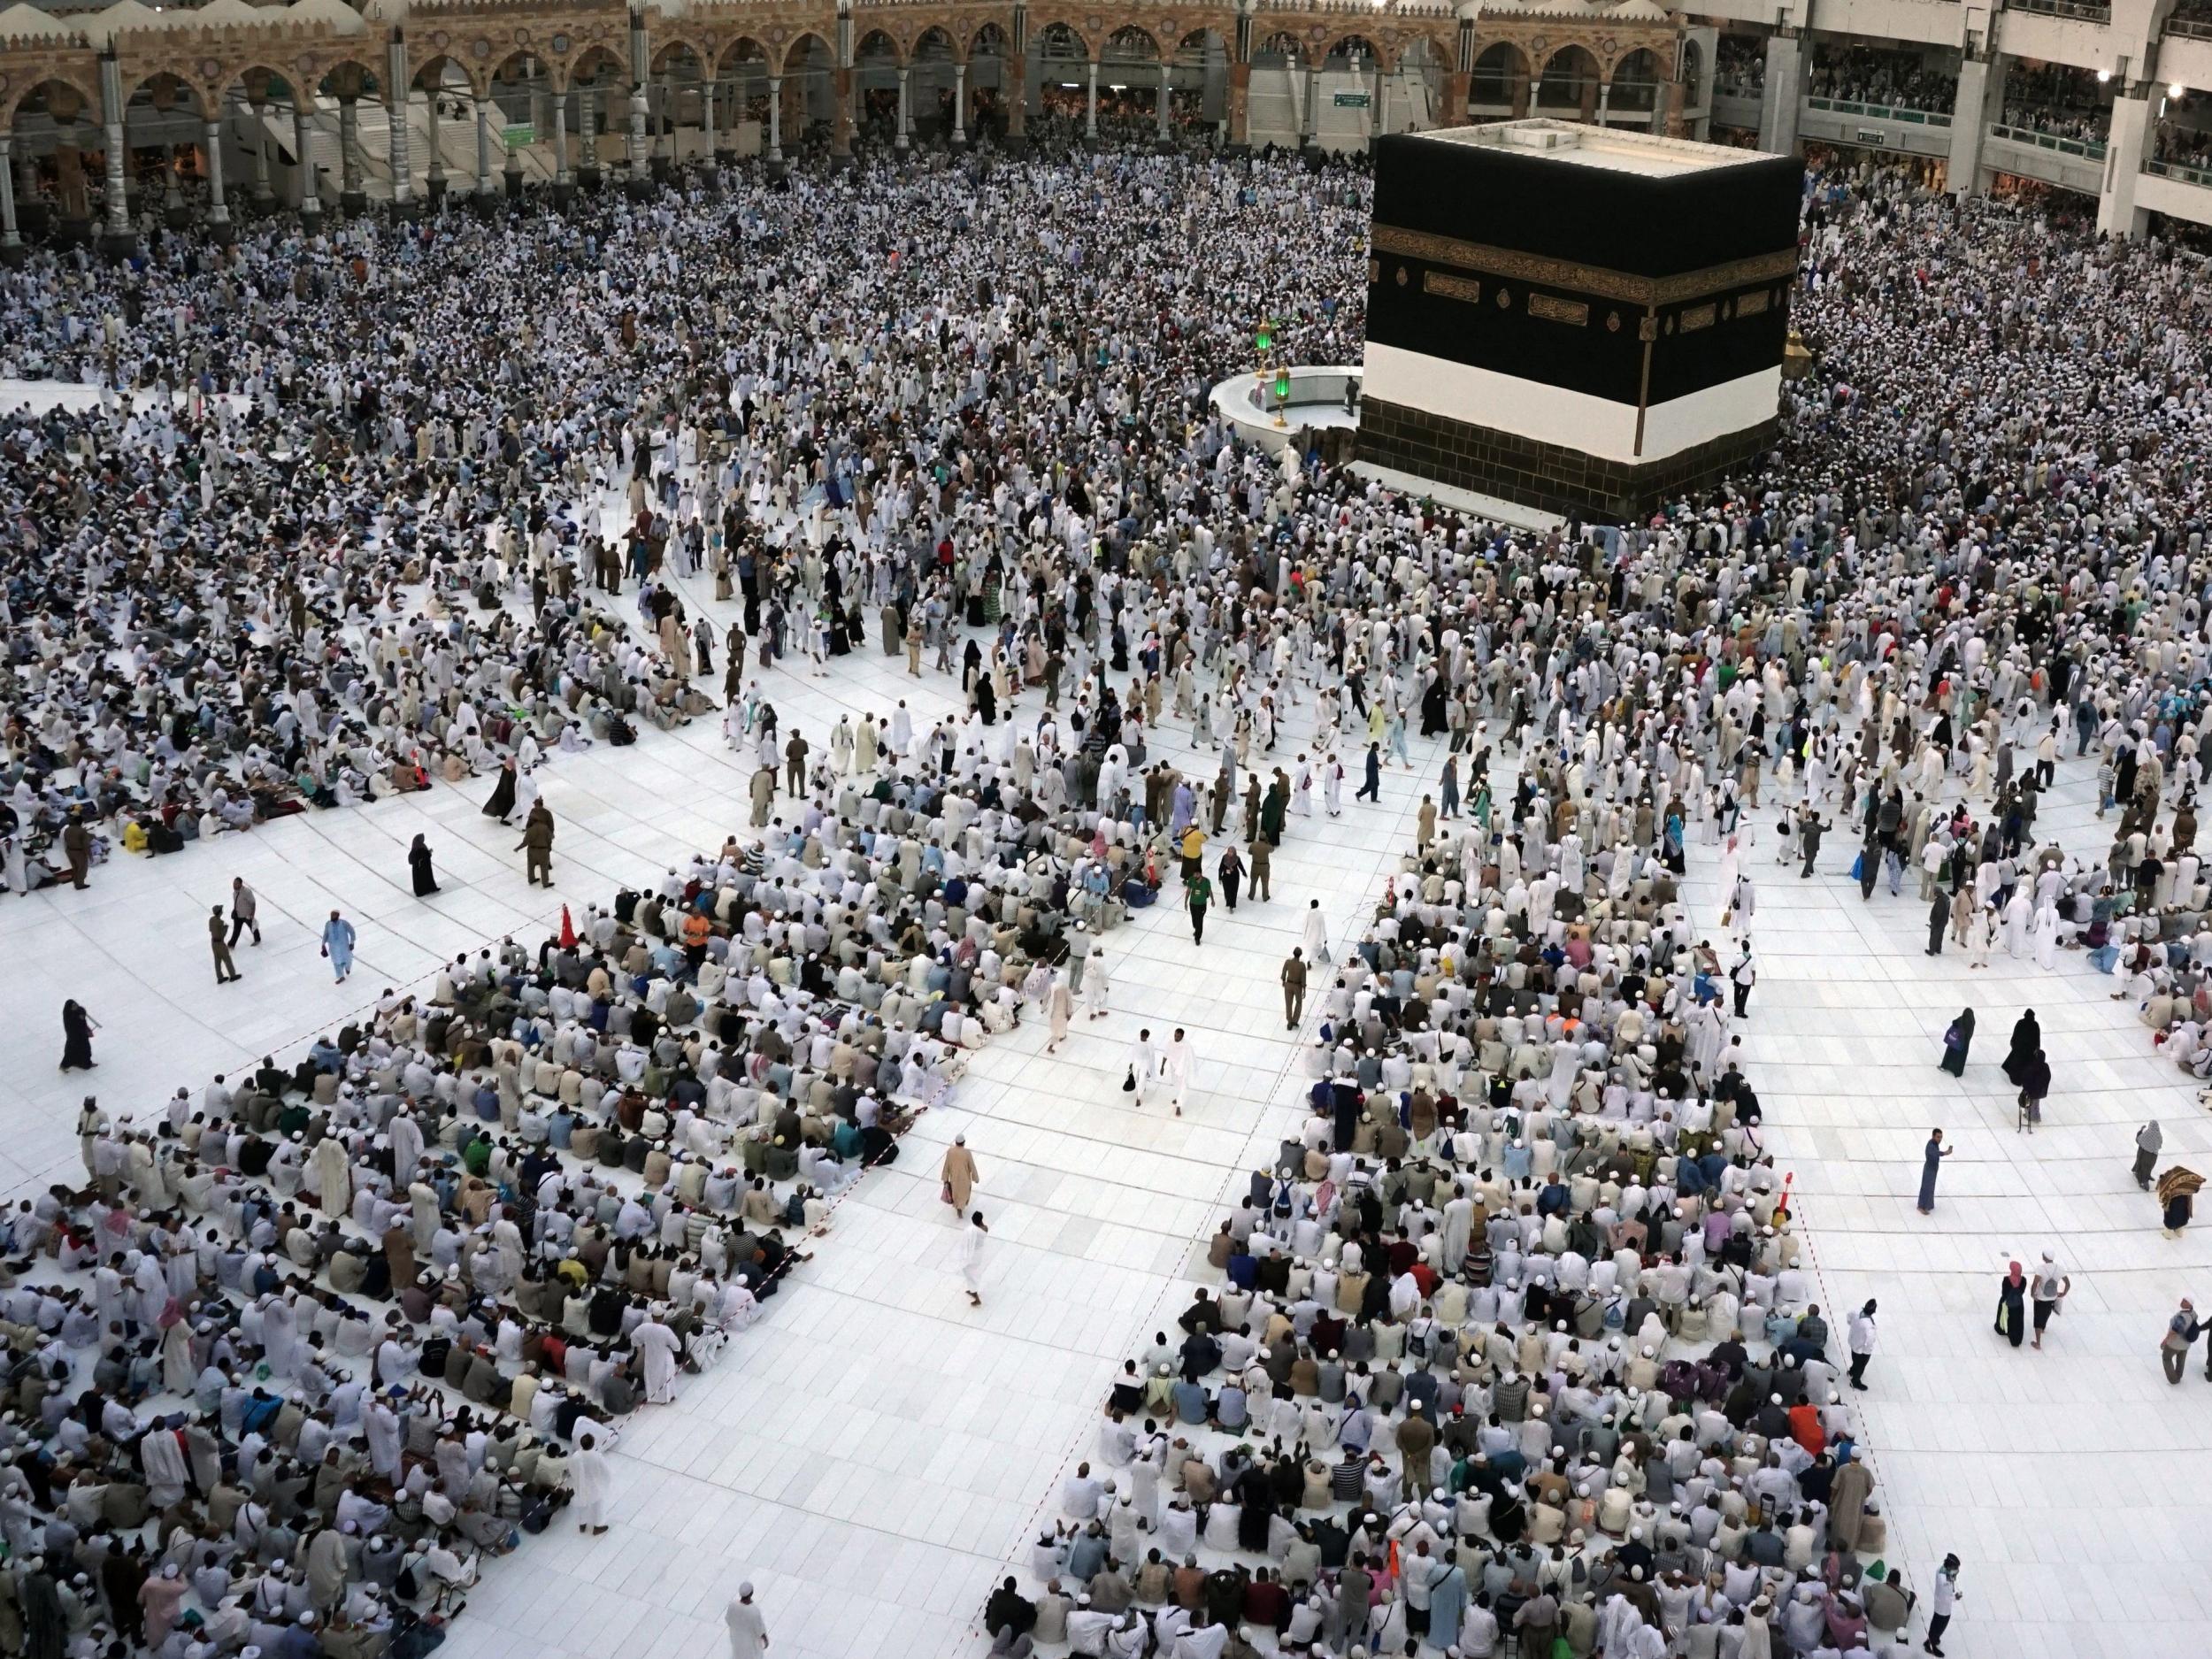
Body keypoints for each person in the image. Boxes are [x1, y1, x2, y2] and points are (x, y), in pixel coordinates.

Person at [569, 1430, 611, 1534]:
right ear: (593, 1444)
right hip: (594, 1486)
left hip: (580, 1485)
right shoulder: (597, 1456)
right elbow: (606, 1471)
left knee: (582, 1504)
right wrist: (607, 1481)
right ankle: (598, 1526)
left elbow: (571, 1469)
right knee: (599, 1505)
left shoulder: (575, 1456)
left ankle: (582, 1524)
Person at [2030, 1254, 2070, 1349]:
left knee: (2037, 1319)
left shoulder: (2041, 1268)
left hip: (2041, 1298)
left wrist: (2033, 1294)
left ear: (2044, 1257)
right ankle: (2043, 1328)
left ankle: (2038, 1343)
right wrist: (2064, 1293)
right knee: (2047, 1312)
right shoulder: (2060, 1268)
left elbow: (2035, 1283)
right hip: (2053, 1296)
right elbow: (2068, 1283)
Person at [1924, 1555, 1962, 1655]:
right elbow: (1946, 1598)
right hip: (1943, 1607)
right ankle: (1930, 1645)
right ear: (1950, 1567)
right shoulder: (1944, 1581)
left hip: (1941, 1605)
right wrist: (1955, 1597)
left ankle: (1933, 1639)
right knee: (1939, 1626)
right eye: (1955, 1568)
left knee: (1936, 1624)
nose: (1956, 1570)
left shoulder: (1942, 1571)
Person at [2162, 1299, 2203, 1384]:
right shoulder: (2193, 1314)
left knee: (2166, 1358)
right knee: (2181, 1360)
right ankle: (2179, 1375)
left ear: (2189, 1304)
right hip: (2186, 1344)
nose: (2182, 1301)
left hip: (2175, 1344)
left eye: (2185, 1301)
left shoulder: (2183, 1317)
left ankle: (2173, 1379)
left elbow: (2175, 1331)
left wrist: (2165, 1340)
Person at [519, 803, 557, 887]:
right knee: (543, 854)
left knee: (546, 850)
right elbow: (529, 824)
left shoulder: (546, 813)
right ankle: (543, 881)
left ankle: (546, 864)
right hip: (539, 836)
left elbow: (551, 823)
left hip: (542, 835)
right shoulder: (534, 812)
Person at [725, 1584, 769, 1655]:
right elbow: (759, 1628)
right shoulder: (754, 1610)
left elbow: (728, 1620)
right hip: (750, 1642)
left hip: (736, 1639)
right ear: (751, 1593)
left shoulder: (733, 1605)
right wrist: (765, 1638)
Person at [1917, 1128, 1953, 1214]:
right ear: (1933, 1136)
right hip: (1929, 1169)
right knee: (1926, 1187)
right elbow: (1936, 1153)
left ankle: (1928, 1205)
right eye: (1938, 1137)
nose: (1939, 1139)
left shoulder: (1935, 1143)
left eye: (1941, 1137)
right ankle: (1921, 1206)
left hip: (1933, 1169)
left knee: (1931, 1187)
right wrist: (1945, 1152)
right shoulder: (1930, 1145)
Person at [941, 1134, 979, 1213]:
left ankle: (959, 1210)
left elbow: (946, 1166)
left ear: (956, 1142)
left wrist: (945, 1179)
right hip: (965, 1180)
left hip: (954, 1180)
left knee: (957, 1196)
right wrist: (975, 1178)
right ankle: (960, 1210)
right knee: (963, 1196)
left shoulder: (950, 1152)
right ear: (963, 1142)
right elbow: (972, 1166)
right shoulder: (967, 1153)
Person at [959, 1210, 989, 1307]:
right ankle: (973, 1290)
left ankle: (976, 1297)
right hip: (978, 1255)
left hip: (971, 1255)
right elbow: (982, 1226)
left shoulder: (970, 1230)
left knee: (970, 1274)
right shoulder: (984, 1229)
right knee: (972, 1272)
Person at [2016, 1047, 2051, 1132]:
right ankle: (2035, 1116)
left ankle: (2033, 1117)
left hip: (2031, 1090)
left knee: (2030, 1103)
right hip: (2040, 1090)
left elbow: (2026, 1077)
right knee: (2036, 1103)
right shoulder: (2045, 1066)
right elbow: (2047, 1077)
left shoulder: (2032, 1067)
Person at [1993, 1261, 2026, 1348]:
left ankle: (2002, 1329)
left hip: (2007, 1302)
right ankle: (2016, 1338)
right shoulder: (2023, 1280)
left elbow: (2004, 1293)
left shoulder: (2007, 1280)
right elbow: (2022, 1291)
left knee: (2004, 1316)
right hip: (2018, 1303)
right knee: (2017, 1320)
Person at [59, 998, 97, 1070]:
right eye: (73, 1006)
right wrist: (78, 1018)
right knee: (71, 1053)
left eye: (75, 1005)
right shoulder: (68, 1016)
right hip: (74, 1038)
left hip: (82, 1036)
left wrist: (82, 1015)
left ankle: (87, 1064)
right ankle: (64, 1066)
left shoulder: (78, 1010)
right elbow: (72, 1027)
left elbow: (82, 1012)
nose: (75, 1007)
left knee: (86, 1050)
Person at [1847, 1299, 1878, 1389]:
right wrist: (1868, 1351)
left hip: (1853, 1341)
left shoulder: (1856, 1312)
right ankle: (1855, 1381)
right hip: (1862, 1349)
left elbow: (1849, 1316)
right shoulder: (1869, 1326)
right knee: (1861, 1365)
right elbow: (1870, 1340)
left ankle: (1852, 1371)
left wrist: (1851, 1324)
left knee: (1855, 1359)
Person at [320, 910, 357, 983]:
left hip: (344, 947)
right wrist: (323, 944)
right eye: (331, 915)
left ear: (337, 916)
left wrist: (352, 942)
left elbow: (352, 931)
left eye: (333, 915)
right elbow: (325, 934)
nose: (332, 917)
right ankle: (341, 976)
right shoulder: (328, 924)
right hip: (333, 948)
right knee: (336, 962)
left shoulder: (344, 923)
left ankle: (348, 968)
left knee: (348, 959)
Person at [209, 904, 241, 985]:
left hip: (213, 943)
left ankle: (220, 977)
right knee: (227, 959)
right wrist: (225, 928)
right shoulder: (220, 922)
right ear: (219, 912)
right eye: (221, 910)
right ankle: (232, 975)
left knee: (217, 960)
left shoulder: (211, 919)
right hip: (220, 943)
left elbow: (211, 930)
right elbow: (222, 935)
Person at [1938, 1008, 1974, 1077]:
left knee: (1950, 1055)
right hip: (1964, 1045)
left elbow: (1954, 1022)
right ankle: (1957, 1072)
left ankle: (1945, 1066)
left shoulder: (1961, 1019)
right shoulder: (1972, 1023)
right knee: (1960, 1059)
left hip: (1956, 1041)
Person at [229, 876, 262, 946]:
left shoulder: (247, 892)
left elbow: (253, 902)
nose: (234, 885)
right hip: (238, 915)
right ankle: (231, 944)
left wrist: (252, 914)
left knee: (253, 927)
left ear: (241, 884)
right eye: (234, 884)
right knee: (236, 931)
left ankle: (257, 939)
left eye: (236, 884)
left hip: (247, 915)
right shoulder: (235, 892)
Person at [1280, 947, 1306, 1030]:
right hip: (1297, 986)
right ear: (1300, 955)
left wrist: (1284, 981)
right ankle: (1295, 1020)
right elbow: (1303, 978)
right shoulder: (1302, 965)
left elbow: (1284, 972)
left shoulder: (1288, 962)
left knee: (1288, 1003)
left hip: (1288, 984)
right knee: (1298, 1002)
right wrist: (1304, 989)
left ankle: (1289, 1022)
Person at [1185, 865, 1211, 946]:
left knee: (1199, 921)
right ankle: (1196, 929)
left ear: (1200, 874)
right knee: (1194, 921)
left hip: (1202, 905)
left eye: (1196, 874)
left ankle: (1197, 938)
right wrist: (1185, 902)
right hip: (1192, 904)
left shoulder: (1206, 881)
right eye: (1194, 874)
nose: (1195, 876)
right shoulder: (1191, 880)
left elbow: (1210, 891)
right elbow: (1188, 891)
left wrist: (1213, 900)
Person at [2134, 1119, 2164, 1189]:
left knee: (2143, 1167)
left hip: (2145, 1155)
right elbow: (2159, 1145)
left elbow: (2139, 1140)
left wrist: (2140, 1132)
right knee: (2149, 1167)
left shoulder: (2148, 1133)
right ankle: (2146, 1178)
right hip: (2153, 1156)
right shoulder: (2159, 1135)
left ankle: (2143, 1181)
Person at [409, 833, 440, 897]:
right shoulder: (420, 847)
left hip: (421, 868)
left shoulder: (415, 848)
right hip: (422, 868)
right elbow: (423, 856)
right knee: (424, 878)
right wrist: (429, 853)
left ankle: (425, 890)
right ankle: (425, 890)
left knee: (423, 879)